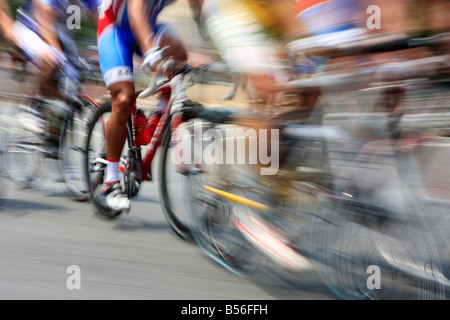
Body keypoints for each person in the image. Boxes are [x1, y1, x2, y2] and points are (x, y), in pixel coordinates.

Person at [97, 0, 188, 211]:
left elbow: (205, 10)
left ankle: (158, 115)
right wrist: (150, 53)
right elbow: (135, 12)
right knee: (123, 98)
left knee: (180, 58)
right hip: (116, 31)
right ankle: (110, 181)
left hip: (149, 26)